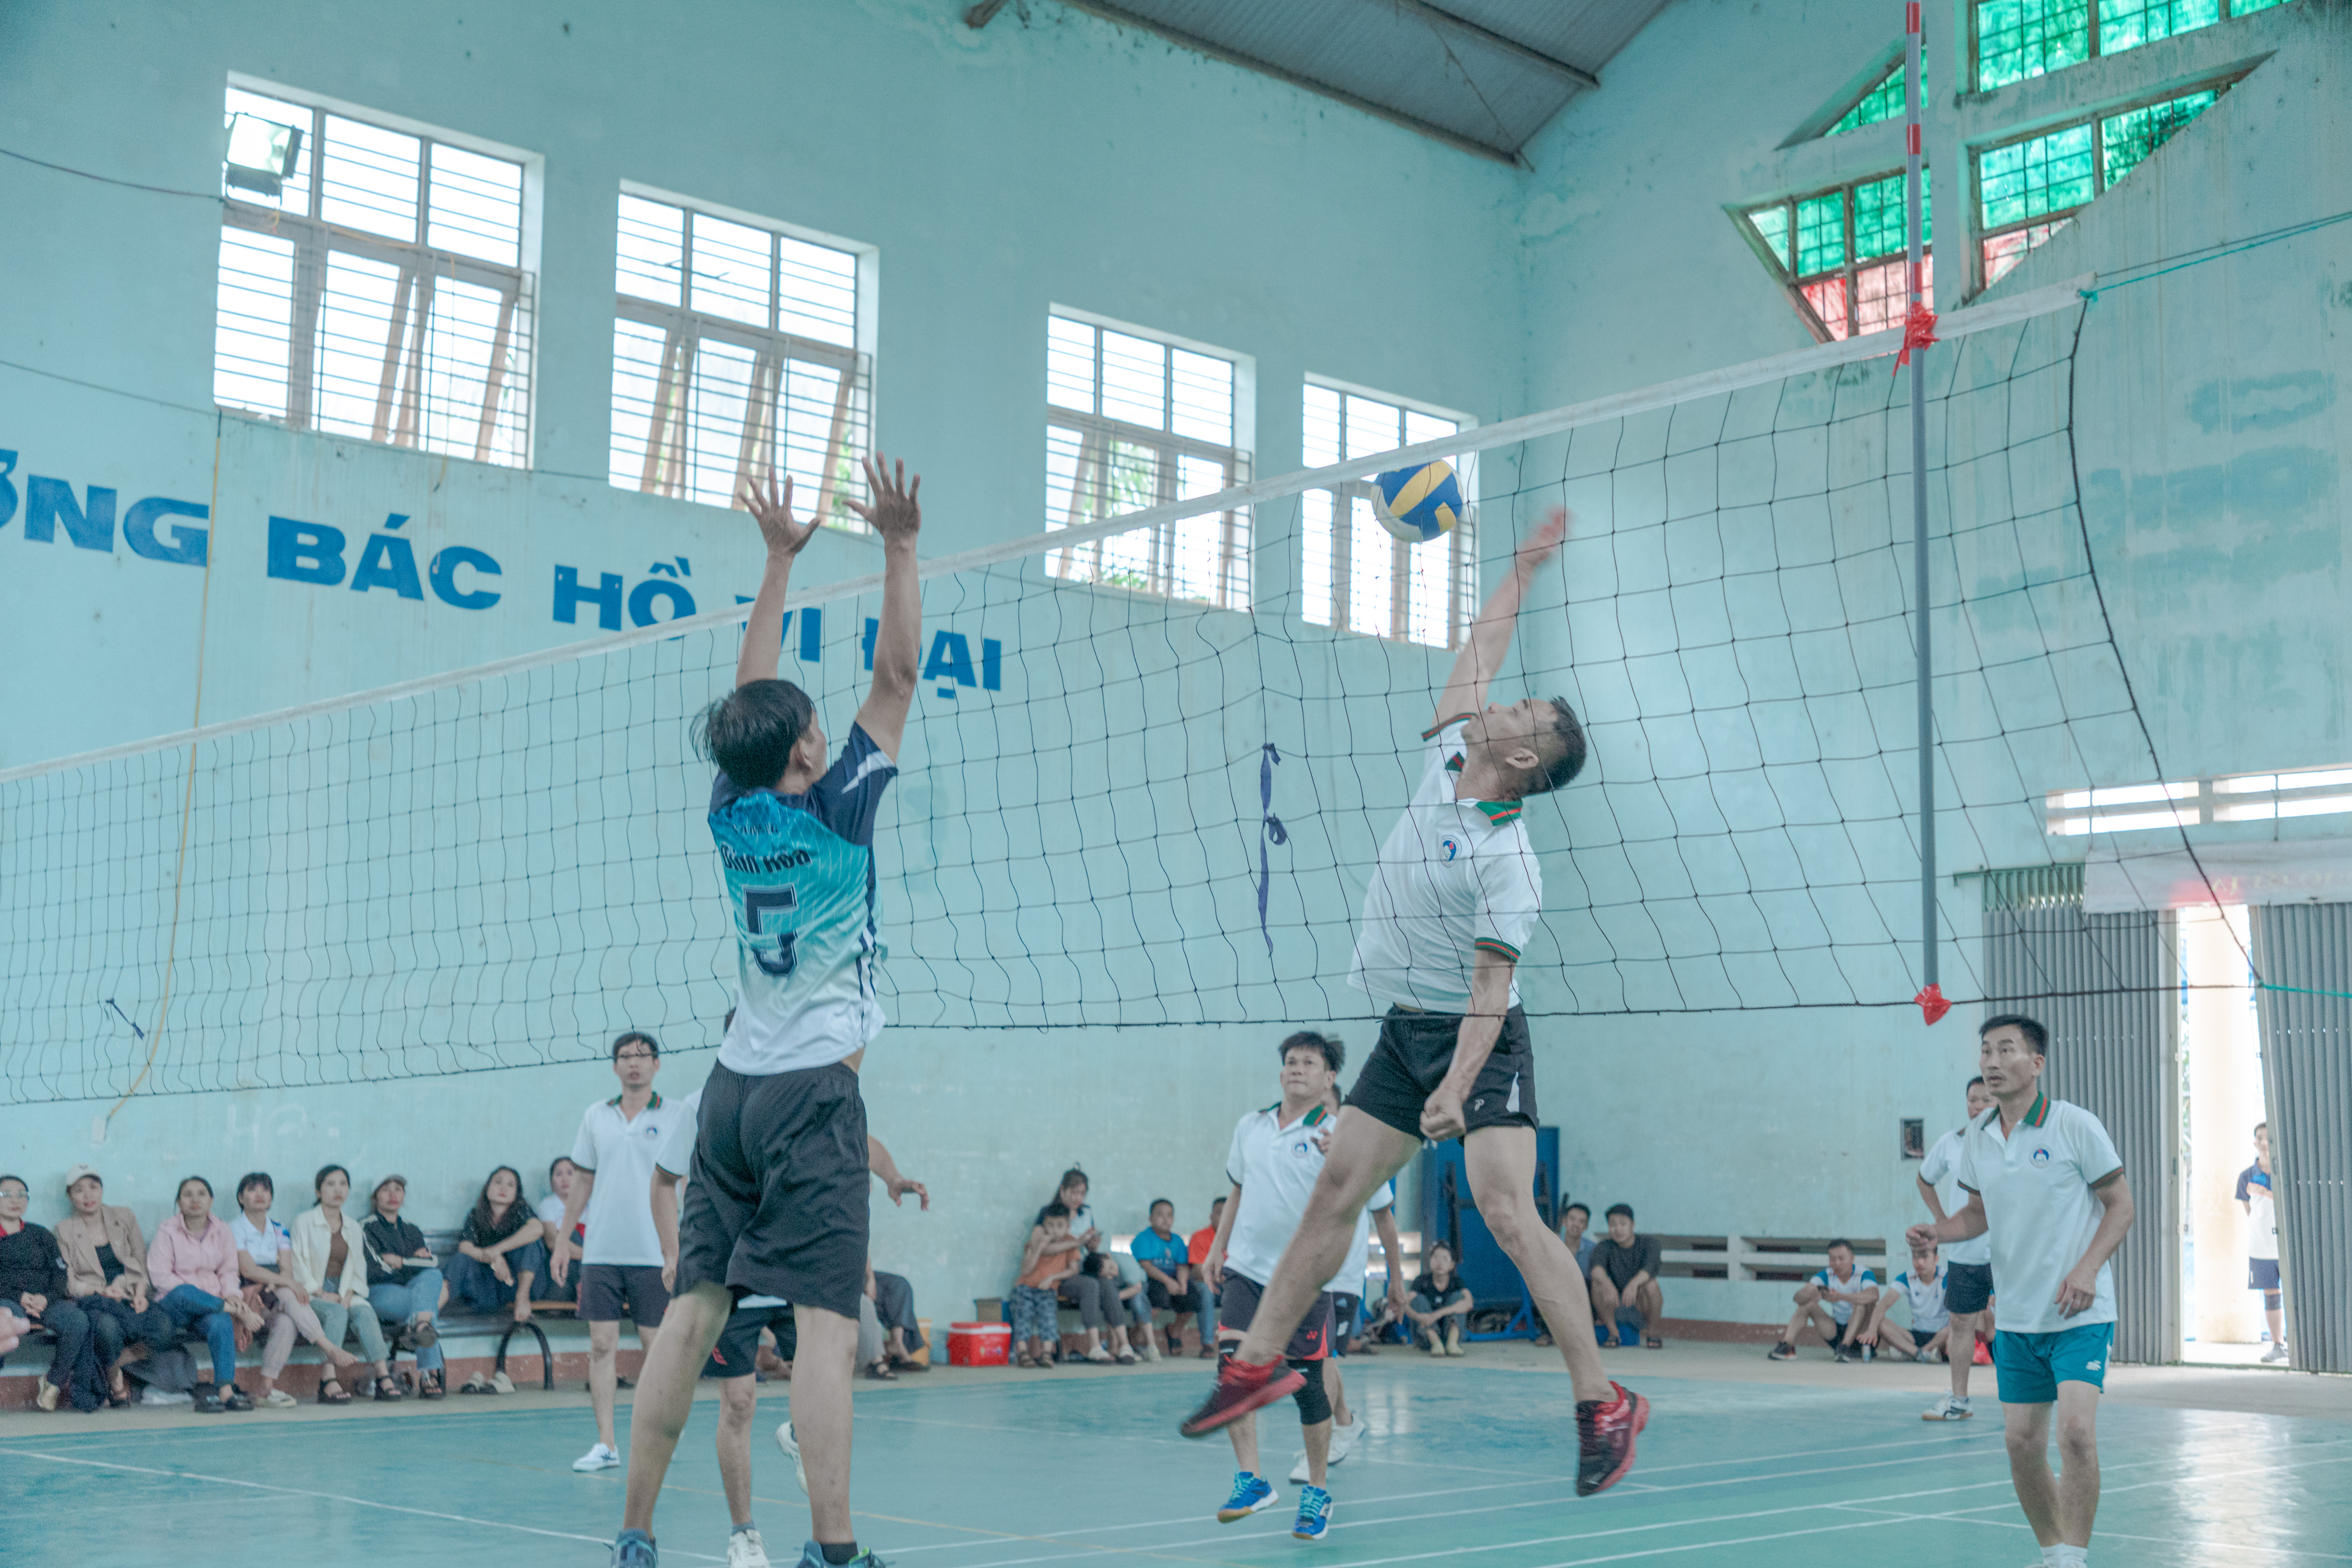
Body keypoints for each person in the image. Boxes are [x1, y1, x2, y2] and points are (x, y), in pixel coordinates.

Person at [1178, 510, 1647, 1499]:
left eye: (1522, 711)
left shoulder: (1509, 860)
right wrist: (1523, 568)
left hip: (1480, 1038)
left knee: (1507, 1210)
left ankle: (1603, 1399)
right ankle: (1253, 1365)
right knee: (1334, 1191)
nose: (1501, 701)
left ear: (1528, 761)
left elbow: (1490, 991)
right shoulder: (1447, 759)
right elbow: (1480, 648)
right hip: (1406, 1024)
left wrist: (1458, 1086)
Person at [612, 453, 923, 1568]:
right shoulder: (840, 808)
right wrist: (899, 543)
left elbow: (751, 698)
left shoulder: (730, 804)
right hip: (810, 1096)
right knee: (827, 1329)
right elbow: (898, 674)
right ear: (807, 748)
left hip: (730, 1091)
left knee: (692, 1313)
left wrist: (779, 563)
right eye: (813, 724)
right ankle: (834, 1551)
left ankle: (635, 1535)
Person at [1908, 1014, 2135, 1568]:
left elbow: (2121, 1206)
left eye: (2006, 1050)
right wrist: (1940, 1232)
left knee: (2076, 1434)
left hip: (2079, 1312)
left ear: (2036, 1063)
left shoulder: (2074, 1125)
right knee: (2022, 1445)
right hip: (2015, 1317)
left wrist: (2087, 1270)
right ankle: (2055, 1552)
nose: (1992, 1061)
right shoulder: (1977, 1137)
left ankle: (2074, 1557)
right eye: (1986, 1050)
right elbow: (1977, 1214)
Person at [1202, 1032, 1348, 1542]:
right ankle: (1252, 1480)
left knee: (1308, 1387)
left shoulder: (1338, 1133)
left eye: (1309, 1062)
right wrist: (1217, 1249)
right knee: (1232, 1371)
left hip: (1304, 1276)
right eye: (1291, 1061)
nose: (1297, 1068)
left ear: (1329, 1078)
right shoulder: (1252, 1125)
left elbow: (1362, 1191)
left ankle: (1318, 1491)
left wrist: (1342, 1158)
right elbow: (1238, 1189)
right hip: (1245, 1270)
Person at [650, 1076, 796, 1568]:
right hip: (728, 1275)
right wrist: (673, 1252)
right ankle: (744, 1534)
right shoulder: (701, 1103)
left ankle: (803, 1435)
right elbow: (663, 1181)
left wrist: (891, 1177)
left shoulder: (801, 1093)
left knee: (829, 1381)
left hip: (791, 1268)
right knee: (739, 1402)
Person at [554, 1029, 688, 1472]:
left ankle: (663, 1435)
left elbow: (685, 1182)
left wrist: (681, 1245)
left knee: (657, 1349)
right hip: (602, 1252)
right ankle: (606, 1444)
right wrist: (563, 1239)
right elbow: (583, 1181)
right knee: (601, 1345)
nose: (634, 1063)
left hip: (655, 1252)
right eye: (626, 1056)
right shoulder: (597, 1115)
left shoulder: (675, 1114)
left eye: (643, 1055)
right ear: (615, 1067)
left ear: (657, 1064)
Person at [1290, 1164, 1402, 1483]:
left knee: (1322, 1359)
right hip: (1307, 1271)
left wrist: (1396, 1279)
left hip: (1342, 1277)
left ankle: (1320, 1452)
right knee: (1319, 1356)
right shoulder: (1301, 1151)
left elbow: (1385, 1218)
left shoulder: (1367, 1154)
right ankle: (1345, 1423)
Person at [231, 1171, 363, 1407]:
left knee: (287, 1322)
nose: (260, 1195)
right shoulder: (233, 1229)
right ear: (241, 1198)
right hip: (246, 1297)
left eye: (265, 1190)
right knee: (290, 1293)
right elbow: (248, 1269)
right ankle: (328, 1347)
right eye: (252, 1190)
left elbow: (287, 1268)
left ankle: (265, 1389)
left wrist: (282, 1281)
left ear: (272, 1198)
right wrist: (285, 1282)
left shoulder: (279, 1229)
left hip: (274, 1294)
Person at [54, 1165, 176, 1407]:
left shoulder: (124, 1217)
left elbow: (141, 1261)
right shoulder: (64, 1230)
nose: (88, 1195)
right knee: (107, 1329)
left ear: (102, 1189)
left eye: (93, 1187)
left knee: (164, 1328)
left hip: (129, 1294)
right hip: (95, 1300)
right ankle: (116, 1382)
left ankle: (106, 1368)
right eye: (79, 1190)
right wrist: (100, 1291)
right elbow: (68, 1281)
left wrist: (140, 1294)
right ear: (70, 1196)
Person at [148, 1175, 267, 1412]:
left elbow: (228, 1271)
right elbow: (160, 1277)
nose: (195, 1200)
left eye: (202, 1194)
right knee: (184, 1292)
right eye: (188, 1195)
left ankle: (225, 1390)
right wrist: (214, 1299)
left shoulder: (222, 1230)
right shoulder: (167, 1231)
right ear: (179, 1202)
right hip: (175, 1306)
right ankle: (231, 1309)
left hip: (211, 1306)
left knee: (221, 1322)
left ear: (211, 1201)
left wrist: (232, 1294)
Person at [1918, 1076, 1997, 1418]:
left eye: (1986, 1100)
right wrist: (1942, 1222)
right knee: (1961, 1323)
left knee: (2012, 1327)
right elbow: (1924, 1179)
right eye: (1972, 1100)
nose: (1978, 1106)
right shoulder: (1952, 1143)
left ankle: (2021, 1404)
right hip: (1966, 1251)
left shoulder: (2012, 1143)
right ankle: (1959, 1400)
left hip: (2006, 1252)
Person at [290, 1164, 401, 1403]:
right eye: (330, 1184)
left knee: (365, 1313)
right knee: (337, 1313)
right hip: (312, 1293)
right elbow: (296, 1264)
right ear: (318, 1192)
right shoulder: (304, 1221)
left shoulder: (353, 1227)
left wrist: (350, 1293)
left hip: (343, 1290)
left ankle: (382, 1377)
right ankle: (328, 1380)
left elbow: (359, 1267)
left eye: (343, 1184)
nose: (338, 1190)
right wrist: (320, 1293)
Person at [0, 1173, 91, 1412]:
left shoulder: (40, 1235)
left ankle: (53, 1382)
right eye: (7, 1194)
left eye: (22, 1194)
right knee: (5, 1323)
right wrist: (20, 1297)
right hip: (8, 1300)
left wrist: (46, 1298)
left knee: (77, 1320)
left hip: (44, 1301)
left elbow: (60, 1273)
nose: (15, 1200)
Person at [1027, 1168, 1137, 1363]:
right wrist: (1076, 1243)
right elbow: (1038, 1247)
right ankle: (1095, 1346)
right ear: (1063, 1190)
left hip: (1081, 1267)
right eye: (1074, 1192)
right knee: (1091, 1285)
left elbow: (1087, 1248)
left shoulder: (1085, 1212)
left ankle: (1124, 1345)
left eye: (1082, 1193)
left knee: (1106, 1283)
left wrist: (1091, 1245)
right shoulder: (1049, 1214)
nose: (1078, 1198)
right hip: (1058, 1273)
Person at [362, 1174, 448, 1398]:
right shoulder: (366, 1228)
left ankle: (420, 1326)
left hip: (411, 1293)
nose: (393, 1195)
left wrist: (401, 1262)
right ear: (375, 1197)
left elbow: (431, 1264)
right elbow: (375, 1269)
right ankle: (429, 1374)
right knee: (426, 1306)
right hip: (379, 1293)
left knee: (434, 1276)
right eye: (386, 1189)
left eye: (398, 1189)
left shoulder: (412, 1230)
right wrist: (412, 1261)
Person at [448, 1165, 553, 1322]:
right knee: (461, 1259)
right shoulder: (476, 1215)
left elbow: (537, 1229)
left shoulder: (521, 1211)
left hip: (525, 1285)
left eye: (511, 1185)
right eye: (498, 1182)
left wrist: (497, 1250)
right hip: (493, 1286)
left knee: (532, 1242)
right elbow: (465, 1247)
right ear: (487, 1188)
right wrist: (493, 1258)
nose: (503, 1188)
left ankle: (522, 1297)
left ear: (517, 1194)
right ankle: (427, 1319)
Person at [1768, 1238, 1876, 1363]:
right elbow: (1798, 1299)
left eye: (1841, 1259)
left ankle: (1846, 1347)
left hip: (1861, 1334)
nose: (1837, 1263)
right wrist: (1810, 1291)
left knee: (1861, 1304)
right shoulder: (1826, 1275)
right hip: (1837, 1331)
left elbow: (1874, 1295)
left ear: (1852, 1258)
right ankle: (1788, 1345)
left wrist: (1840, 1297)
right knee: (1807, 1304)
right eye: (1833, 1259)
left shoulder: (1864, 1273)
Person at [1857, 1241, 1954, 1364]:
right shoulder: (1906, 1278)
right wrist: (1872, 1330)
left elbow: (1958, 1313)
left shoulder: (1947, 1277)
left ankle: (1922, 1352)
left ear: (1936, 1259)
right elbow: (1883, 1305)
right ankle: (1918, 1354)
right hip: (1915, 1336)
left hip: (1940, 1336)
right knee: (1881, 1323)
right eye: (1916, 1258)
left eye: (1925, 1257)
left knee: (1952, 1329)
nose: (1920, 1262)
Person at [2236, 1122, 2285, 1363]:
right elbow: (2250, 1212)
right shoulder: (2246, 1177)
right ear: (2254, 1142)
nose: (2264, 1143)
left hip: (2287, 1250)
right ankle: (2278, 1345)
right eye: (2260, 1138)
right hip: (2261, 1249)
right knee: (2271, 1295)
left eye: (2268, 1138)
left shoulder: (2285, 1173)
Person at [1132, 1199, 1205, 1357]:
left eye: (1170, 1216)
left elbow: (1182, 1265)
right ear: (1151, 1218)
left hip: (1173, 1279)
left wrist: (1182, 1283)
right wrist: (1168, 1282)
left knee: (1192, 1299)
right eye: (1160, 1215)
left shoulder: (1178, 1241)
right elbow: (1146, 1266)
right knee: (1158, 1299)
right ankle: (1136, 1339)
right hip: (1151, 1279)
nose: (1165, 1220)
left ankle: (1174, 1332)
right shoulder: (1143, 1239)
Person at [1587, 1205, 1666, 1349]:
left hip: (1640, 1307)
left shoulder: (1649, 1243)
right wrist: (1607, 1283)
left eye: (1623, 1224)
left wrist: (1634, 1284)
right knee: (1598, 1283)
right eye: (1613, 1225)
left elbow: (1651, 1267)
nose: (1618, 1229)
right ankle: (1614, 1334)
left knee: (1651, 1284)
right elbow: (1596, 1270)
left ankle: (1653, 1332)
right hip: (1614, 1307)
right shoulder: (1604, 1246)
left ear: (1633, 1225)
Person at [1013, 1204, 1082, 1367]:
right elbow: (1026, 1270)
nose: (1055, 1230)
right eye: (1050, 1225)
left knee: (1048, 1318)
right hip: (1025, 1287)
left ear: (1068, 1226)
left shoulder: (1070, 1243)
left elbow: (1074, 1269)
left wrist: (1052, 1278)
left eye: (1060, 1226)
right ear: (1044, 1226)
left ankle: (1047, 1354)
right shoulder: (1036, 1241)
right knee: (1023, 1315)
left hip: (1048, 1290)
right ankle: (1023, 1354)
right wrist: (1039, 1247)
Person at [1403, 1240, 1474, 1354]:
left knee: (1459, 1297)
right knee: (1419, 1300)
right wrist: (1419, 1317)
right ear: (1430, 1261)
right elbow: (1406, 1305)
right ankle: (1436, 1343)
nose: (1440, 1263)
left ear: (1452, 1265)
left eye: (1445, 1259)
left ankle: (1452, 1344)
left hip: (1447, 1333)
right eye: (1436, 1258)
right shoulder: (1421, 1281)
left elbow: (1469, 1303)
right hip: (1425, 1337)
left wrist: (1437, 1314)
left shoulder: (1457, 1282)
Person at [538, 1156, 585, 1300]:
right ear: (552, 1183)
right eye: (559, 1174)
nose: (565, 1179)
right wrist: (591, 1256)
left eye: (570, 1173)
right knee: (571, 1235)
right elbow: (553, 1242)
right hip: (560, 1268)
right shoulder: (548, 1205)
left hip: (586, 1271)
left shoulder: (591, 1207)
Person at [1188, 1196, 1226, 1351]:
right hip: (1206, 1282)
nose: (1224, 1217)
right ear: (1211, 1217)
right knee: (1206, 1292)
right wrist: (1216, 1279)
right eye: (1220, 1213)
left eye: (1229, 1213)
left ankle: (1244, 1345)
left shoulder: (1240, 1239)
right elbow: (1199, 1270)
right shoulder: (1200, 1237)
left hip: (1228, 1284)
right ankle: (1208, 1344)